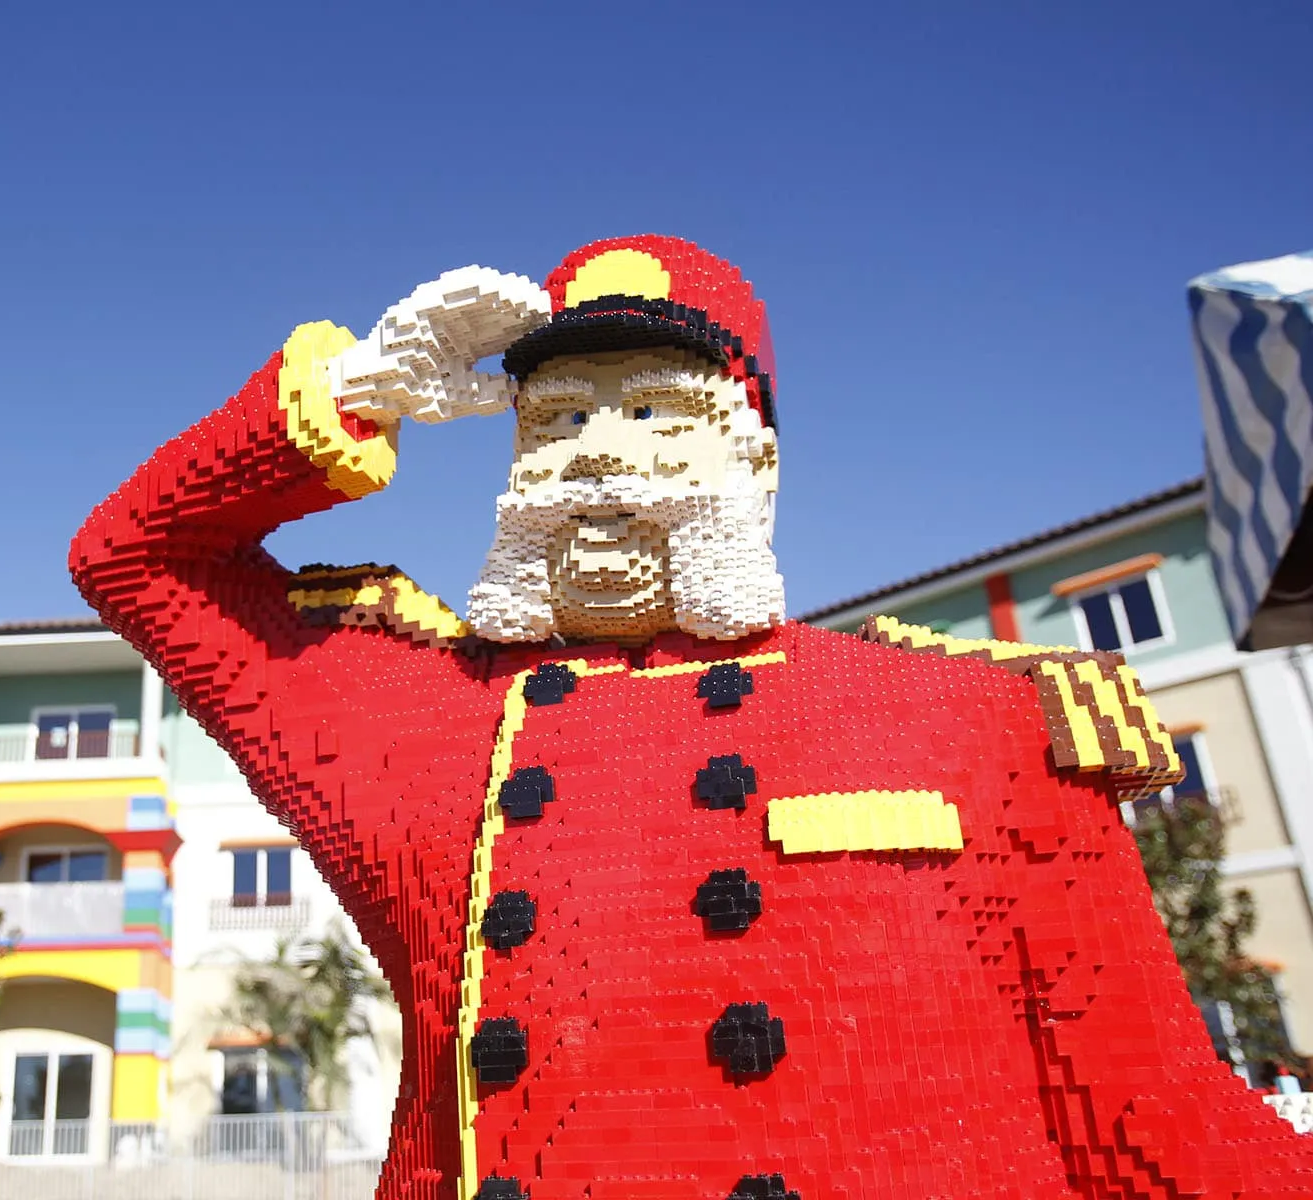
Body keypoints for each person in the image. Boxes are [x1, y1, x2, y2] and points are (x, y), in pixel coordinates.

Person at [70, 235, 1313, 1200]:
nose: (597, 457)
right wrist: (358, 390)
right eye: (555, 421)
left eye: (655, 411)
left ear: (757, 461)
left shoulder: (981, 719)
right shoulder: (411, 715)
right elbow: (134, 558)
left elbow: (1152, 1120)